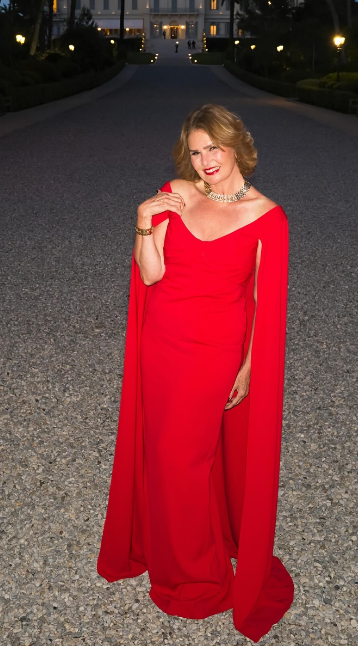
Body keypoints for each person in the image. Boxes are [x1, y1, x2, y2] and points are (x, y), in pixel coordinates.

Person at [98, 104, 293, 642]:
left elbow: (265, 303)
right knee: (169, 456)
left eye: (214, 148)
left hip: (215, 353)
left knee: (183, 460)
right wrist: (144, 220)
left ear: (236, 145)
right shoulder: (177, 194)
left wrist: (249, 367)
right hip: (162, 344)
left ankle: (196, 577)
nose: (206, 160)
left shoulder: (267, 217)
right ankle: (184, 554)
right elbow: (151, 273)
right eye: (196, 151)